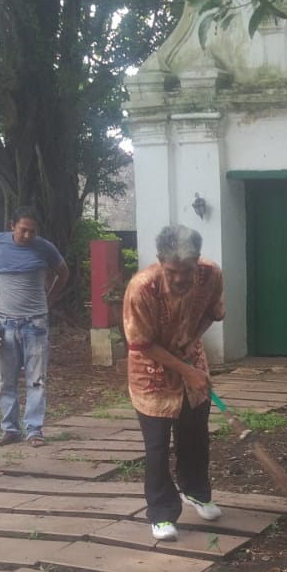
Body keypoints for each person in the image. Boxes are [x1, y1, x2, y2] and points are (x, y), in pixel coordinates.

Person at [123, 225, 226, 542]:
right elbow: (141, 344)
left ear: (198, 260)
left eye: (187, 270)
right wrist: (185, 369)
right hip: (150, 369)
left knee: (195, 434)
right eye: (172, 271)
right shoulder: (142, 288)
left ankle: (195, 492)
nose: (180, 278)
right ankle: (161, 512)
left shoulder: (210, 274)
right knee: (157, 444)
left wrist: (192, 342)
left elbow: (213, 313)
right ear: (159, 260)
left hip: (191, 359)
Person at [0, 207, 69, 446]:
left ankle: (34, 430)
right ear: (12, 226)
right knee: (4, 381)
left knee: (36, 380)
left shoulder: (45, 248)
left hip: (35, 323)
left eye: (32, 231)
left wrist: (50, 297)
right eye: (23, 230)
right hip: (5, 323)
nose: (28, 236)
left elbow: (64, 273)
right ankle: (10, 429)